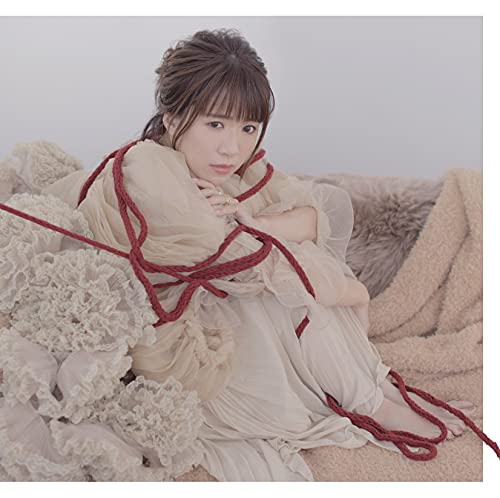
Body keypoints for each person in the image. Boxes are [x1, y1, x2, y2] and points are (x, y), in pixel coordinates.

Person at [11, 28, 474, 481]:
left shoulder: (240, 173)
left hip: (225, 301)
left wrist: (254, 221)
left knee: (287, 264)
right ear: (172, 118)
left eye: (247, 127)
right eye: (215, 124)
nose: (231, 147)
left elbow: (315, 217)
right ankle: (370, 402)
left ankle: (376, 391)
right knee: (273, 288)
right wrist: (254, 234)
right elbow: (224, 259)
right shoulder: (148, 168)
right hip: (172, 338)